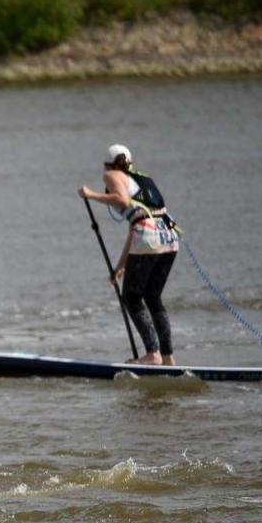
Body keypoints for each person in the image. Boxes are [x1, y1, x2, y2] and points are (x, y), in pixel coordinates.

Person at [79, 144, 180, 365]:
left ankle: (152, 355)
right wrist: (122, 265)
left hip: (148, 237)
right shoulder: (143, 179)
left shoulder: (113, 174)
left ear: (109, 164)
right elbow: (137, 225)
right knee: (153, 297)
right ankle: (167, 357)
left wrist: (91, 195)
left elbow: (123, 201)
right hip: (169, 237)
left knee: (132, 298)